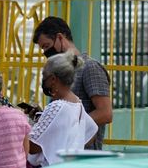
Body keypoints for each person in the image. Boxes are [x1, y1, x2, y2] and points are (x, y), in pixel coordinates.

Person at [32, 17, 113, 149]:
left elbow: (106, 113)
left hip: (85, 155)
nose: (45, 52)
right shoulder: (58, 71)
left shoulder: (90, 67)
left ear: (60, 38)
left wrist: (67, 126)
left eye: (46, 46)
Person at [28, 52, 100, 168]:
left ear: (53, 79)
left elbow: (32, 147)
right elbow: (91, 134)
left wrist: (23, 124)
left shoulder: (57, 107)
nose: (43, 80)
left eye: (43, 75)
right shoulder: (77, 103)